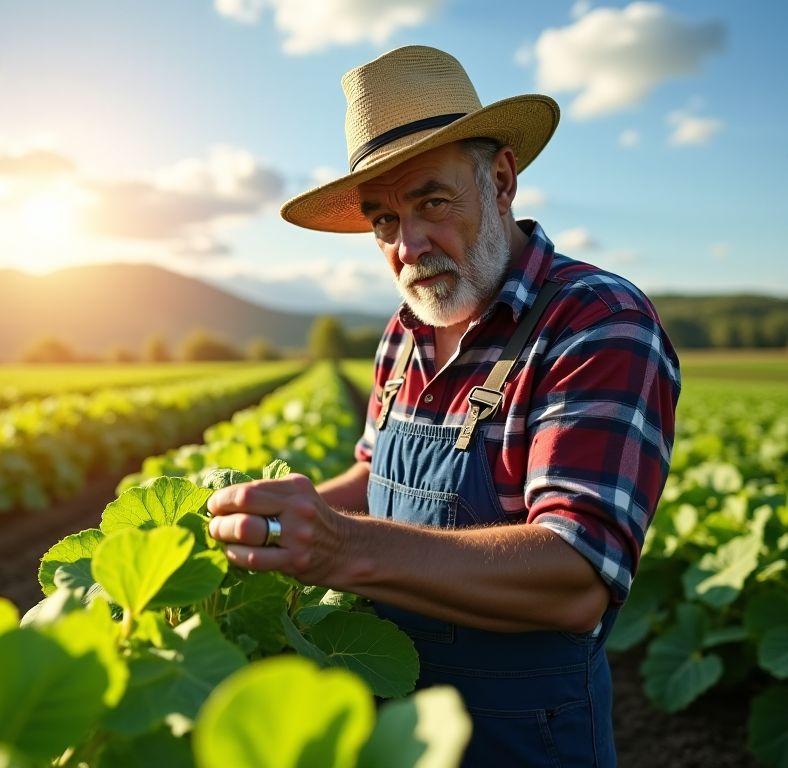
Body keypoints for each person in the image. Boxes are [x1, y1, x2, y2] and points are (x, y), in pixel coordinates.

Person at [207, 45, 681, 767]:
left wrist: (340, 546)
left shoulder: (597, 323)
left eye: (431, 202)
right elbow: (377, 478)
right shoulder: (406, 331)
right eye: (384, 222)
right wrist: (267, 525)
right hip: (392, 722)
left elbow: (576, 577)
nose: (409, 246)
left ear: (500, 181)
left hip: (523, 737)